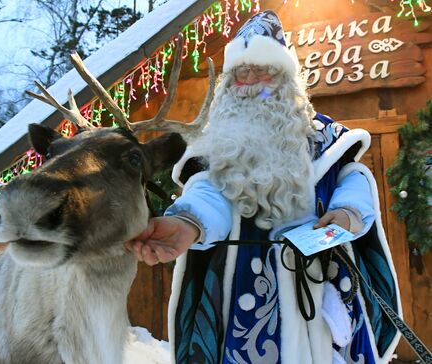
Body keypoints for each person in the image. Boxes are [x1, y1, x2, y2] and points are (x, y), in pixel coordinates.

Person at [126, 10, 401, 364]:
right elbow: (210, 193)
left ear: (285, 77)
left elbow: (353, 178)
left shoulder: (325, 137)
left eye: (261, 69)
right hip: (248, 293)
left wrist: (348, 213)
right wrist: (187, 224)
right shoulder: (219, 144)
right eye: (240, 72)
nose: (250, 80)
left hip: (320, 285)